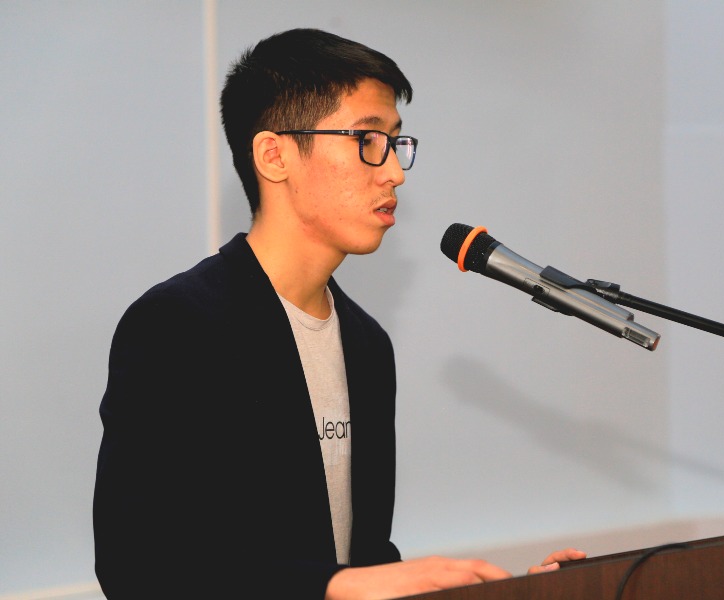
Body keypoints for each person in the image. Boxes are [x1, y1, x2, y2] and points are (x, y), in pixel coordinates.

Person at [93, 28, 584, 599]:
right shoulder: (179, 326)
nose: (395, 172)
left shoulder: (366, 343)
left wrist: (505, 592)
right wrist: (333, 586)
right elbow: (140, 568)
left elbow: (365, 565)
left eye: (396, 143)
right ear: (274, 155)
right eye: (368, 140)